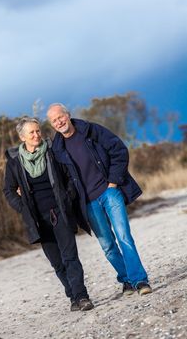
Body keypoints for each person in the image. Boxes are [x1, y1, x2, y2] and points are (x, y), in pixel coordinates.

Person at [47, 103, 152, 296]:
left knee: (124, 237)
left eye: (60, 117)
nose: (59, 122)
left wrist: (113, 181)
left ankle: (140, 280)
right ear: (52, 125)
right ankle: (126, 279)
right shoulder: (57, 149)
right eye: (54, 120)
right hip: (88, 203)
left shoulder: (91, 130)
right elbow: (57, 179)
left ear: (68, 115)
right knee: (108, 246)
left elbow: (119, 150)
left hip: (109, 192)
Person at [3, 117, 94, 311]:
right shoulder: (14, 163)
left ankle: (82, 296)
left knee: (70, 257)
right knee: (57, 263)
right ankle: (72, 297)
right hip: (38, 220)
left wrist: (68, 198)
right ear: (22, 137)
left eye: (38, 131)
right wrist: (23, 208)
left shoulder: (53, 153)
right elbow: (9, 191)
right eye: (32, 133)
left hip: (60, 212)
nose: (37, 135)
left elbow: (69, 178)